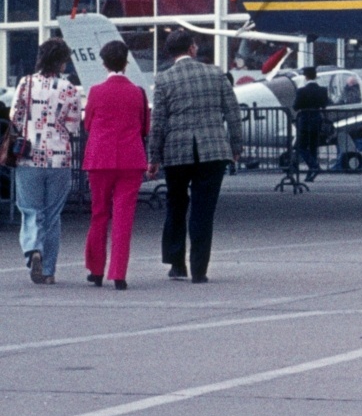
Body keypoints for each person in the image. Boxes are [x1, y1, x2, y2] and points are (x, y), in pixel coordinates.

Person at [148, 31, 242, 283]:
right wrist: (236, 146)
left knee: (176, 205)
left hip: (177, 153)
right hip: (213, 152)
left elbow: (157, 123)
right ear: (191, 49)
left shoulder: (164, 80)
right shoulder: (216, 73)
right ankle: (199, 269)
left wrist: (153, 157)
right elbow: (233, 112)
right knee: (203, 210)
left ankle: (177, 264)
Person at [13, 38, 82, 285]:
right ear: (62, 61)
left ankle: (34, 250)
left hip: (28, 158)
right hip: (59, 159)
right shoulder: (69, 88)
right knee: (52, 215)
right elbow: (74, 127)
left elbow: (15, 117)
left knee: (30, 210)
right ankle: (49, 270)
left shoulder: (25, 83)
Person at [82, 40, 149, 290]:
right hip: (131, 158)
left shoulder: (96, 91)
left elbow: (88, 123)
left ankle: (96, 269)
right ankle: (118, 273)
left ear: (104, 63)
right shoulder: (138, 92)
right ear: (126, 62)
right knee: (124, 217)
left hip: (100, 158)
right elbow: (145, 126)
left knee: (99, 213)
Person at [291, 66, 330, 182]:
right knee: (313, 147)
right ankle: (310, 174)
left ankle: (314, 166)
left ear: (306, 77)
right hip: (317, 120)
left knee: (300, 146)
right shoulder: (323, 90)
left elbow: (295, 106)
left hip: (304, 121)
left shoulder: (301, 91)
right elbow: (325, 104)